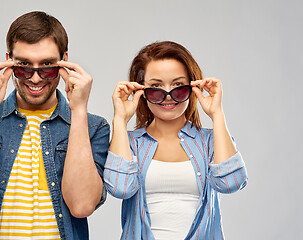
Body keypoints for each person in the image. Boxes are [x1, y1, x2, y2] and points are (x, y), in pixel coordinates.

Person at [0, 11, 110, 240]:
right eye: (24, 66)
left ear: (64, 61)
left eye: (48, 65)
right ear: (9, 60)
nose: (36, 78)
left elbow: (81, 206)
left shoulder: (92, 127)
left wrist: (79, 111)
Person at [104, 41, 248, 240]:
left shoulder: (209, 141)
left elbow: (232, 182)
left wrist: (217, 114)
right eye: (156, 87)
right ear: (142, 91)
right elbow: (120, 188)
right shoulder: (130, 143)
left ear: (193, 87)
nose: (168, 95)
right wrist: (119, 119)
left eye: (178, 85)